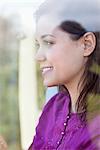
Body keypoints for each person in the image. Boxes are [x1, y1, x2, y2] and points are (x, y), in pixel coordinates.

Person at [29, 0, 100, 149]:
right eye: (38, 45)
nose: (38, 56)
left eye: (48, 42)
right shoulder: (54, 107)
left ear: (87, 44)